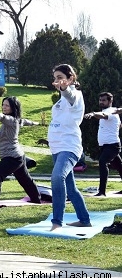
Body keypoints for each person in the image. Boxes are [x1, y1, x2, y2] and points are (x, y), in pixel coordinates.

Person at [48, 64, 91, 231]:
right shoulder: (60, 101)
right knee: (71, 189)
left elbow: (70, 95)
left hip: (69, 147)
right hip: (57, 148)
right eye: (55, 78)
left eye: (60, 77)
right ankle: (84, 219)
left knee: (57, 178)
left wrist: (65, 88)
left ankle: (56, 221)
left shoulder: (75, 95)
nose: (57, 81)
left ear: (71, 78)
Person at [0, 97, 42, 204]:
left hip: (13, 157)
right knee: (25, 180)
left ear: (13, 107)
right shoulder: (17, 120)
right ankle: (36, 199)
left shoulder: (11, 120)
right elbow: (24, 121)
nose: (4, 107)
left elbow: (2, 117)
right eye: (3, 105)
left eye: (7, 105)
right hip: (18, 156)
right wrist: (34, 123)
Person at [83, 92, 122, 196]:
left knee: (102, 162)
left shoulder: (112, 111)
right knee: (120, 166)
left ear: (110, 101)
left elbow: (103, 115)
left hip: (112, 145)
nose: (101, 102)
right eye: (100, 100)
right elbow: (119, 125)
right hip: (106, 145)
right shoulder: (112, 112)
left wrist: (93, 114)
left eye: (104, 100)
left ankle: (101, 191)